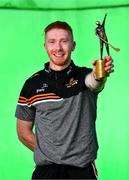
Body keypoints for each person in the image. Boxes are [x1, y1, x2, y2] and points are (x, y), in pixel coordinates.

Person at [15, 21, 114, 179]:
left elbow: (94, 82)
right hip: (46, 172)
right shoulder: (31, 84)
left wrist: (99, 75)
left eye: (64, 41)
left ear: (73, 45)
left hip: (81, 172)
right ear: (45, 46)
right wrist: (50, 154)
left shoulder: (84, 76)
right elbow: (23, 132)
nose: (58, 48)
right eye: (52, 42)